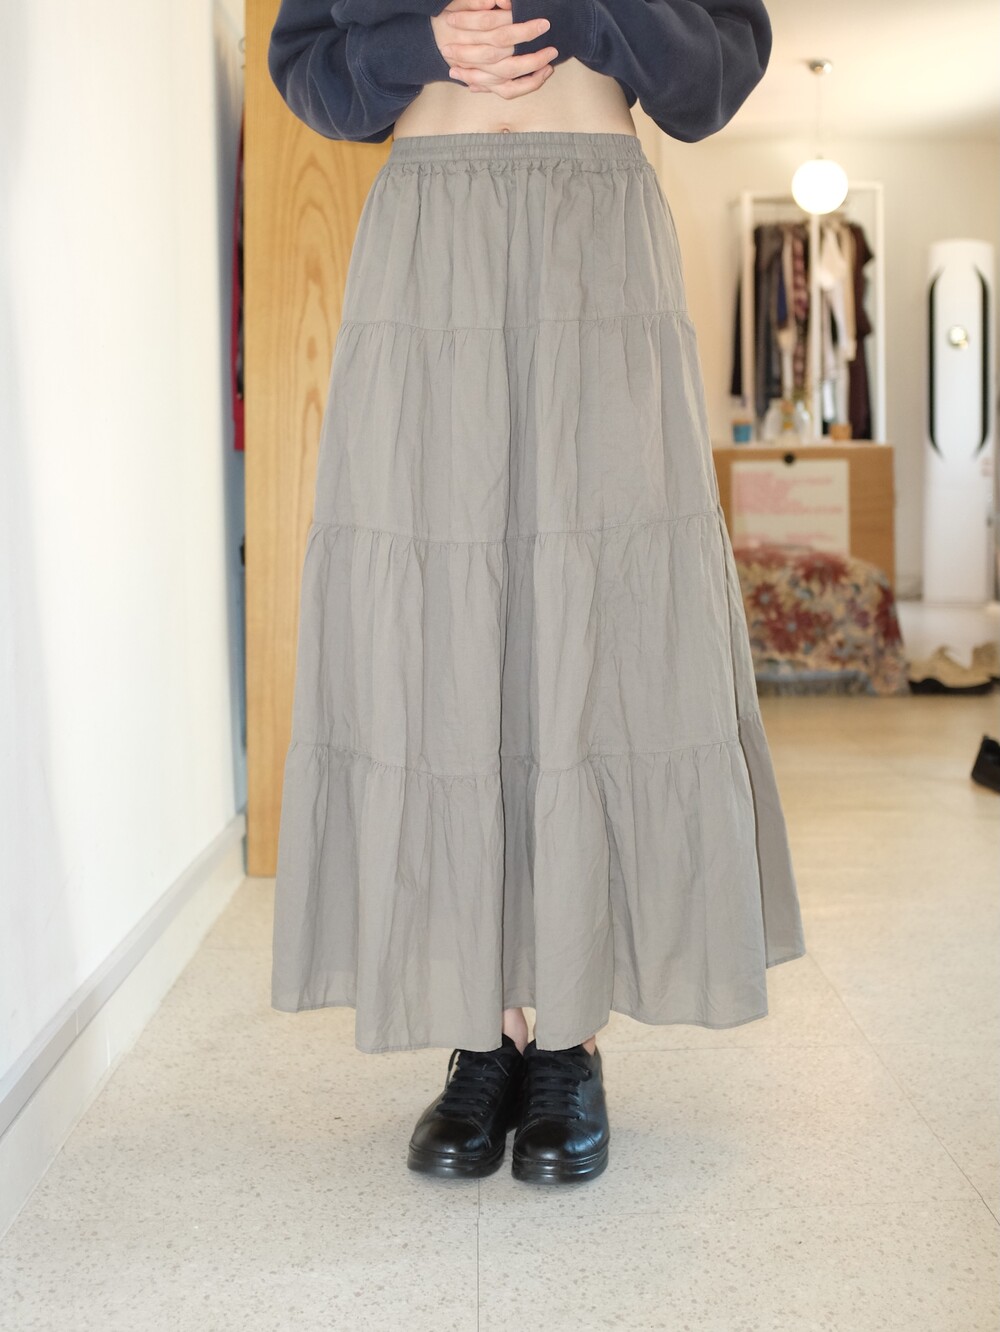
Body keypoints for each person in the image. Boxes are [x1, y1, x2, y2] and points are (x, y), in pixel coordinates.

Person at [266, 0, 806, 1187]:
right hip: (427, 229)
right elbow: (302, 65)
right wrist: (419, 48)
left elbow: (718, 70)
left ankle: (566, 1035)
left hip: (596, 220)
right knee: (444, 619)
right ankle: (483, 1030)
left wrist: (594, 12)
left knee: (594, 610)